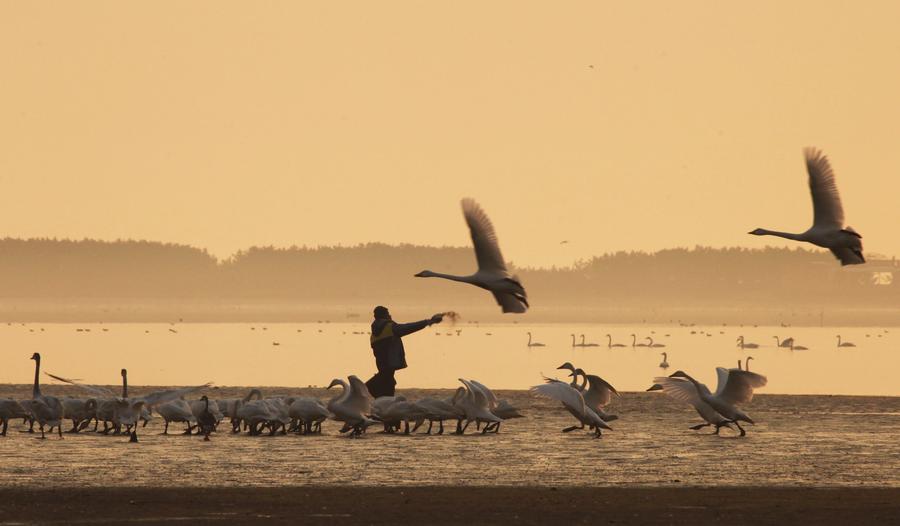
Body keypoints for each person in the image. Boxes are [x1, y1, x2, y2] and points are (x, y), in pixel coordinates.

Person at [365, 306, 443, 398]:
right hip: (390, 363)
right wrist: (428, 321)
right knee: (386, 383)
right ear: (384, 316)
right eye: (388, 314)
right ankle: (363, 389)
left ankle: (376, 397)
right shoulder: (390, 328)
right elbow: (409, 327)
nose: (390, 316)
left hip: (381, 364)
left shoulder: (374, 334)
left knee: (386, 382)